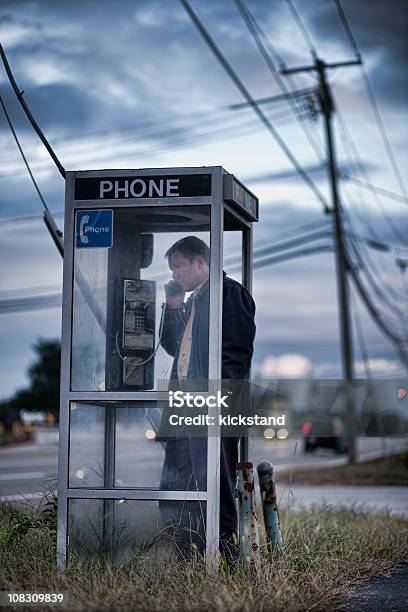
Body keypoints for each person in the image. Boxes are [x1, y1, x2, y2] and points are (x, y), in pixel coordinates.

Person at [158, 236, 256, 559]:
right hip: (184, 414)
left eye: (179, 267)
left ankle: (228, 561)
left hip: (209, 414)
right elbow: (174, 348)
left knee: (215, 490)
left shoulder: (229, 296)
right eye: (172, 269)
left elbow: (235, 360)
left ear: (201, 262)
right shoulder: (193, 302)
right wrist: (172, 307)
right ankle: (191, 559)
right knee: (174, 491)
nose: (175, 275)